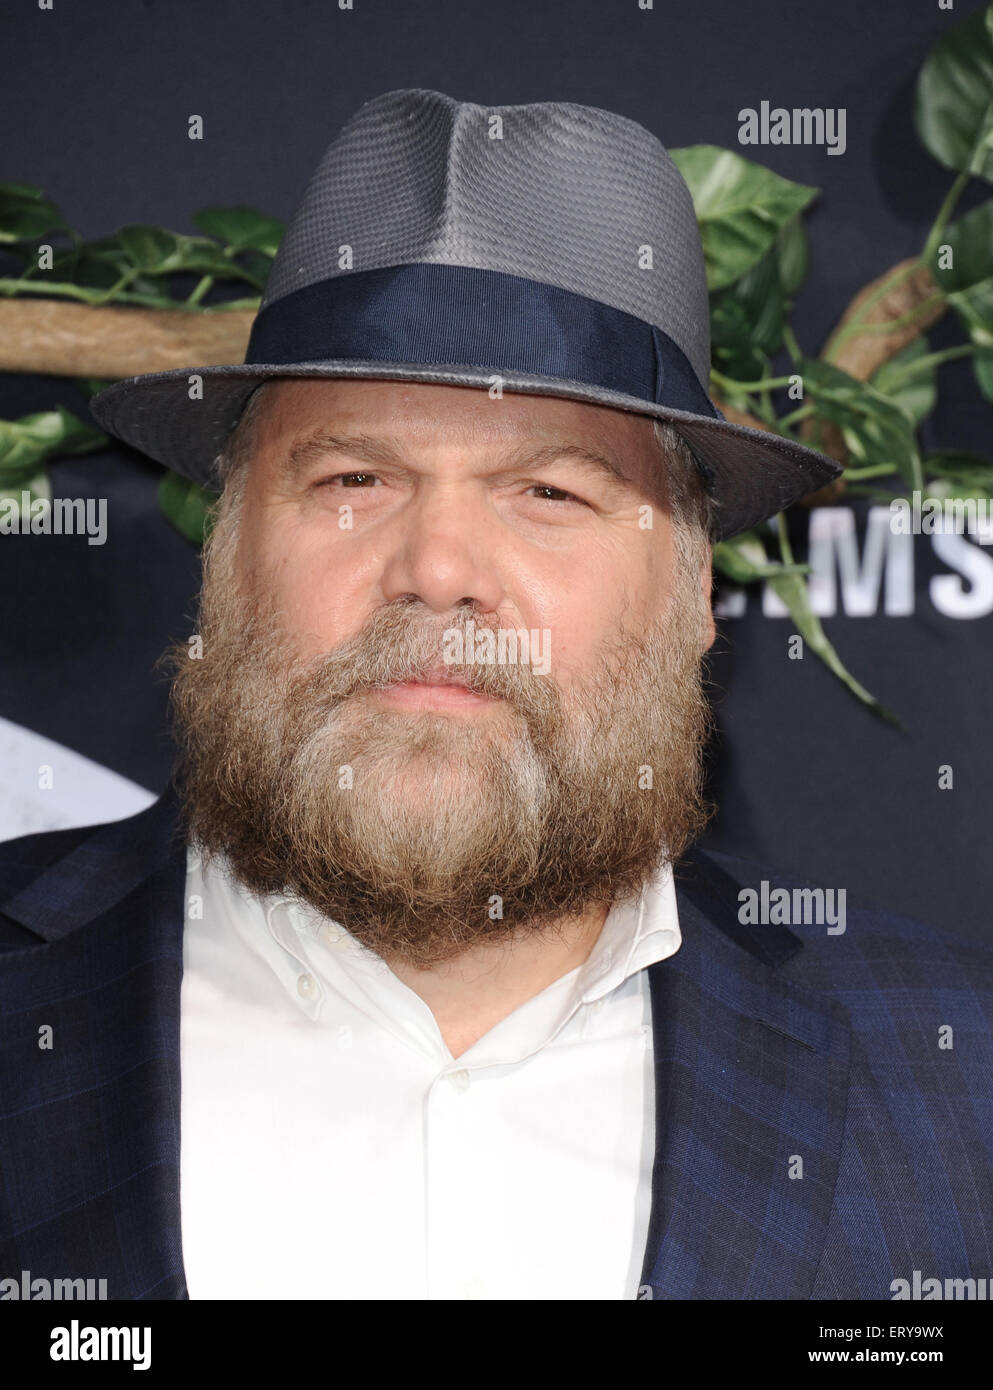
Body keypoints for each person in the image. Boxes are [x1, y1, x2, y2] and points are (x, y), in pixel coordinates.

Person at [1, 89, 990, 1302]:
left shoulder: (960, 1077)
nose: (438, 569)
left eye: (549, 494)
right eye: (354, 479)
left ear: (691, 591)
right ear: (226, 554)